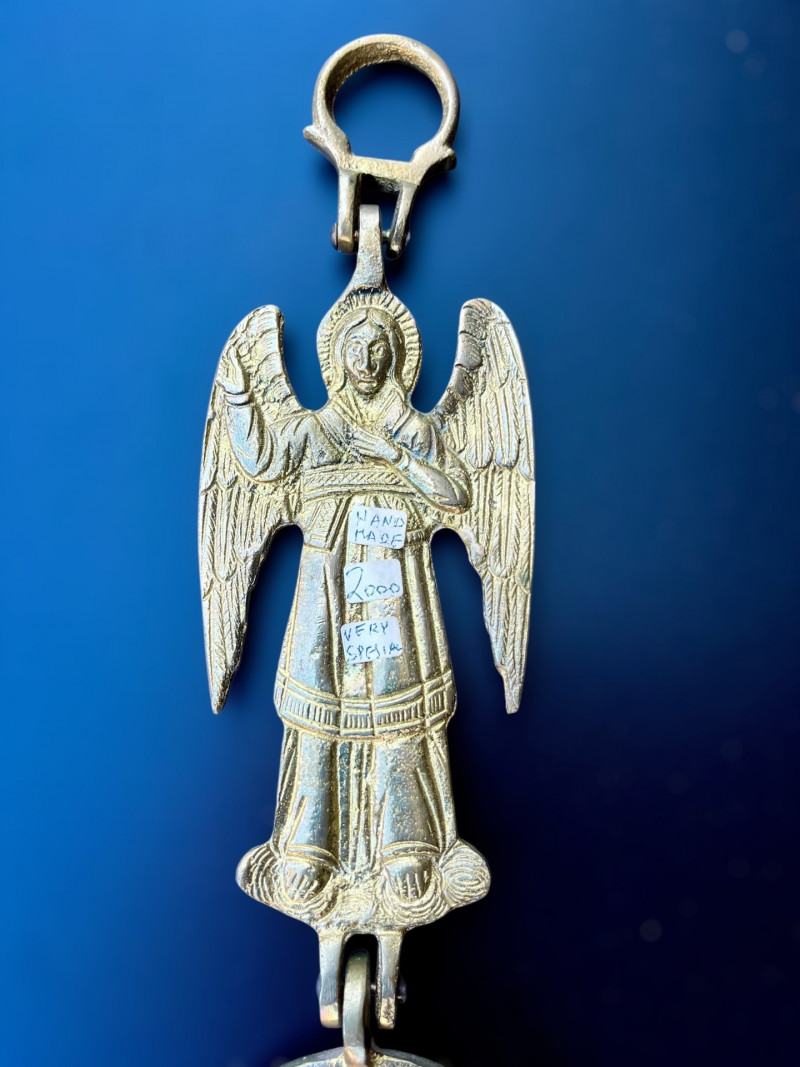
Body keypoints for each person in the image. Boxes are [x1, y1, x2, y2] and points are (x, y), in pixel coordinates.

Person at [222, 300, 489, 926]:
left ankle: (407, 843)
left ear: (394, 359)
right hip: (325, 586)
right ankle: (307, 844)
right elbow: (261, 464)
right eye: (355, 349)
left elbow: (458, 493)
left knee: (396, 706)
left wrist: (395, 457)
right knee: (319, 707)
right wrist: (238, 398)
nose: (366, 361)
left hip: (395, 586)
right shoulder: (315, 430)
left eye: (377, 350)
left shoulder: (416, 430)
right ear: (337, 358)